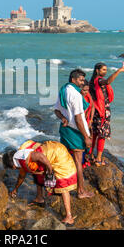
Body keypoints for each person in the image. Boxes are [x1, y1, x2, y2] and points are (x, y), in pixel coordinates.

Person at [2, 140, 79, 226]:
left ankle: (69, 217)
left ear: (12, 165)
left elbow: (39, 156)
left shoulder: (22, 159)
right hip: (49, 153)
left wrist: (50, 170)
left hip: (57, 154)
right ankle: (39, 198)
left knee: (62, 184)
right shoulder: (19, 158)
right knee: (36, 173)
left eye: (12, 168)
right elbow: (21, 176)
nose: (13, 169)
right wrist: (15, 189)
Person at [54, 69, 94, 198]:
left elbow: (56, 110)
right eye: (81, 80)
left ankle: (60, 187)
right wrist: (86, 137)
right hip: (76, 131)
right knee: (78, 162)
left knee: (64, 160)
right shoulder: (75, 95)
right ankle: (81, 191)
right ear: (73, 80)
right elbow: (78, 119)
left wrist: (63, 118)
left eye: (83, 80)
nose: (83, 82)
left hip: (65, 129)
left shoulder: (63, 90)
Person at [89, 62, 124, 166]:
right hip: (102, 111)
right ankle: (98, 159)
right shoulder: (99, 80)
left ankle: (90, 155)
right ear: (97, 70)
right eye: (103, 70)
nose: (105, 72)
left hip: (95, 110)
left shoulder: (91, 81)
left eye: (106, 70)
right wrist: (119, 71)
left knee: (94, 133)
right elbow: (108, 81)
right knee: (102, 134)